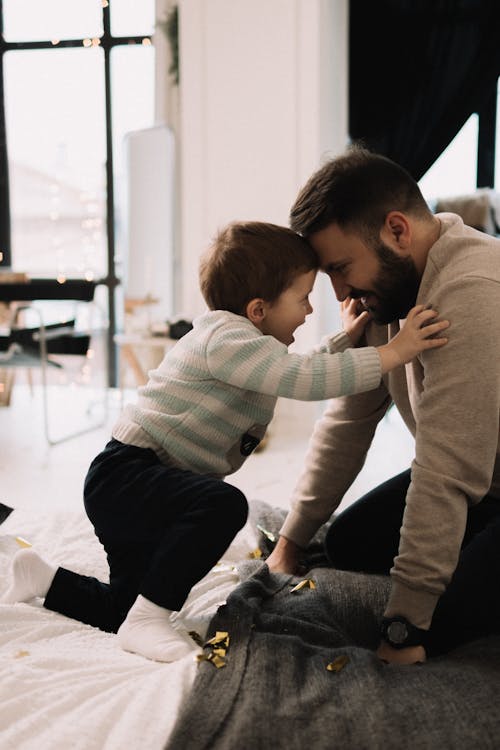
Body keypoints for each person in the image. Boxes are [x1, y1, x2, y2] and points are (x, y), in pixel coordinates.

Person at [2, 220, 447, 663]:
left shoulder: (247, 346)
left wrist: (345, 339)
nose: (310, 310)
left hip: (143, 486)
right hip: (131, 478)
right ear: (257, 310)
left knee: (127, 605)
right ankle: (149, 619)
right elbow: (302, 378)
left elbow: (296, 366)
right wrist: (393, 352)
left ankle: (44, 579)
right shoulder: (228, 339)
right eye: (303, 298)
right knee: (223, 505)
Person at [266, 145, 500, 665]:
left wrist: (403, 629)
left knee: (438, 622)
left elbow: (445, 471)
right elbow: (347, 423)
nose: (341, 290)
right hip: (484, 483)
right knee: (348, 542)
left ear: (398, 230)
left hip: (475, 477)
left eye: (342, 267)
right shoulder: (390, 295)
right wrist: (290, 543)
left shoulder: (472, 291)